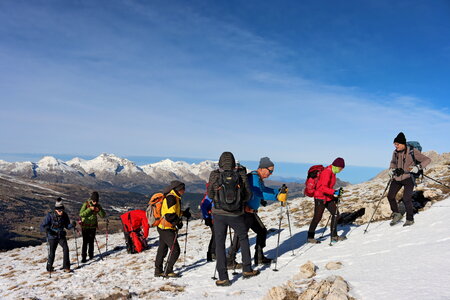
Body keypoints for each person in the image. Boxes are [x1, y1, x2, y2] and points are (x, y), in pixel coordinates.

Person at [208, 152, 259, 287]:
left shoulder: (214, 175)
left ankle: (223, 277)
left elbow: (210, 194)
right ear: (233, 162)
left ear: (220, 162)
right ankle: (247, 269)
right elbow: (248, 194)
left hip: (218, 214)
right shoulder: (240, 174)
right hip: (236, 214)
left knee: (220, 243)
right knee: (243, 238)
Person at [227, 157, 285, 266]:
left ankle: (259, 257)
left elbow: (264, 189)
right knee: (240, 236)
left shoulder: (257, 178)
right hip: (245, 212)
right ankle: (230, 260)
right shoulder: (253, 178)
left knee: (262, 231)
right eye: (270, 171)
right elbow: (258, 193)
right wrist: (277, 197)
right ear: (263, 168)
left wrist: (277, 191)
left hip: (251, 212)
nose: (271, 174)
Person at [387, 132, 431, 226]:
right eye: (394, 144)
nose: (395, 146)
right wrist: (391, 169)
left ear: (403, 144)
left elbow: (427, 160)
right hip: (397, 177)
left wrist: (418, 167)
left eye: (397, 144)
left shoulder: (412, 151)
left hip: (408, 178)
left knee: (406, 198)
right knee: (390, 196)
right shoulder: (395, 152)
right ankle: (397, 214)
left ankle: (410, 219)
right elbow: (393, 162)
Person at [154, 180, 191, 278]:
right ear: (178, 189)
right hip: (167, 228)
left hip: (162, 227)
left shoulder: (173, 197)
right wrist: (178, 223)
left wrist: (183, 213)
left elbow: (172, 211)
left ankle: (158, 271)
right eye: (183, 189)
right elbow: (169, 215)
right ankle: (168, 270)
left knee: (162, 249)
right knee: (175, 250)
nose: (184, 191)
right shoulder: (172, 198)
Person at [307, 157, 346, 243]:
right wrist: (334, 192)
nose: (341, 170)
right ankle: (310, 237)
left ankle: (334, 236)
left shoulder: (332, 172)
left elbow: (328, 187)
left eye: (342, 169)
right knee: (317, 218)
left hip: (327, 197)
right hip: (320, 198)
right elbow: (322, 188)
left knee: (336, 214)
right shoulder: (327, 172)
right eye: (340, 168)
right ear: (336, 166)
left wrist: (334, 196)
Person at [40, 198, 76, 272]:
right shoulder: (50, 215)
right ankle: (49, 267)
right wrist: (47, 229)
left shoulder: (65, 215)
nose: (61, 212)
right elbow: (43, 226)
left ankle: (66, 267)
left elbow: (67, 226)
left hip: (61, 235)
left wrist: (72, 225)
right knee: (52, 252)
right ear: (56, 210)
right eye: (59, 211)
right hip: (52, 236)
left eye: (62, 210)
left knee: (66, 249)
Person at [79, 191, 106, 262]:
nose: (95, 203)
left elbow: (103, 215)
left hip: (93, 227)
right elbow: (81, 214)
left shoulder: (98, 206)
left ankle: (91, 255)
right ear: (91, 200)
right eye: (94, 201)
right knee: (85, 242)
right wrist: (89, 209)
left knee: (91, 241)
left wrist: (99, 210)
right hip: (85, 226)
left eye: (96, 201)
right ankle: (83, 257)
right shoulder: (86, 204)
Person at [200, 184, 215, 262]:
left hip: (214, 218)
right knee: (216, 235)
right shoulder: (210, 195)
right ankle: (212, 253)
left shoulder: (212, 194)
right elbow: (203, 206)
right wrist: (207, 218)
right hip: (212, 219)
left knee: (216, 235)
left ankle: (212, 253)